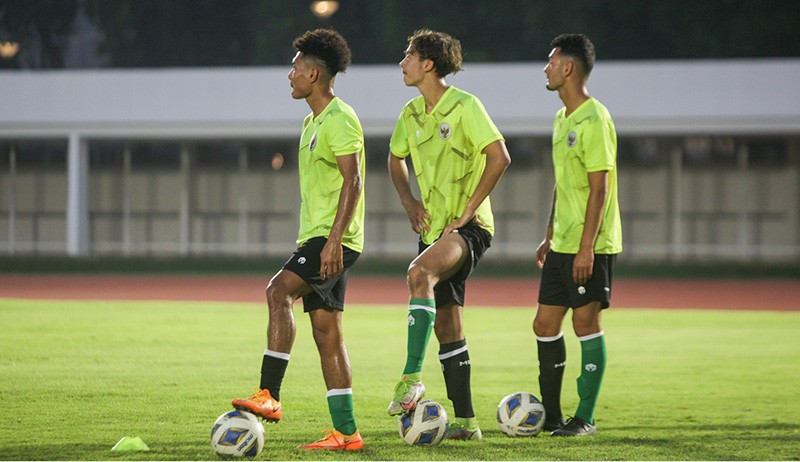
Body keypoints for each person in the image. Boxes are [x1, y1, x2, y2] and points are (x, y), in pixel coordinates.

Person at [231, 28, 366, 451]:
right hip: (321, 237)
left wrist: (332, 241)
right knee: (327, 334)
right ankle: (347, 433)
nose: (289, 75)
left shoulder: (341, 118)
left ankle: (269, 394)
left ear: (313, 74)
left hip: (332, 240)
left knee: (277, 291)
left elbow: (354, 180)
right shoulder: (311, 121)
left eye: (294, 68)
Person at [386, 29, 511, 441]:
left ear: (428, 64)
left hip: (468, 228)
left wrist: (471, 208)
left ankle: (411, 379)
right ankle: (468, 423)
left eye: (409, 55)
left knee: (418, 273)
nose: (402, 62)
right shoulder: (410, 114)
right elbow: (394, 158)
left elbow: (500, 156)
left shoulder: (465, 106)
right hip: (434, 229)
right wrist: (409, 202)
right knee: (448, 325)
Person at [534, 33, 622, 437]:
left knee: (586, 324)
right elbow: (563, 183)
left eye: (552, 62)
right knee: (544, 325)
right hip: (563, 243)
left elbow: (599, 187)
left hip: (592, 245)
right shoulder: (561, 119)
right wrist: (551, 231)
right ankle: (552, 417)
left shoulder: (595, 118)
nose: (547, 69)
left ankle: (584, 418)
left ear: (568, 67)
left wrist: (587, 247)